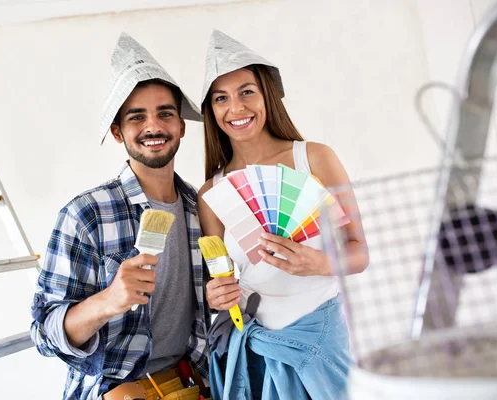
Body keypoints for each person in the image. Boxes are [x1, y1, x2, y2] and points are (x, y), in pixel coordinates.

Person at [30, 32, 210, 400]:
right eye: (136, 117)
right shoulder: (86, 215)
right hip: (116, 392)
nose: (153, 127)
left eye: (165, 114)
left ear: (181, 127)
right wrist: (110, 300)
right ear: (118, 132)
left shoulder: (199, 208)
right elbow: (44, 334)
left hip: (190, 385)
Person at [197, 30, 369, 399]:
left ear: (268, 96)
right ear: (211, 111)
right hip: (256, 347)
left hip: (324, 335)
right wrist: (216, 295)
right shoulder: (212, 194)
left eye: (247, 92)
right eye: (220, 98)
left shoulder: (315, 159)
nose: (236, 108)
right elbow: (220, 277)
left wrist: (319, 262)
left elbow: (359, 254)